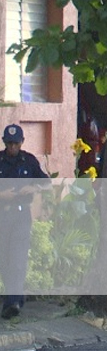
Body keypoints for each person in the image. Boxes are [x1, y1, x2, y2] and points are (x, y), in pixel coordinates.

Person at [0, 124, 49, 320]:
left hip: (21, 216)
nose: (12, 147)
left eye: (16, 143)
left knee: (18, 259)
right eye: (9, 143)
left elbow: (46, 183)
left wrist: (34, 188)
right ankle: (15, 297)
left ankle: (12, 302)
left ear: (22, 143)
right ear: (4, 143)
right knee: (4, 258)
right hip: (3, 214)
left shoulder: (28, 161)